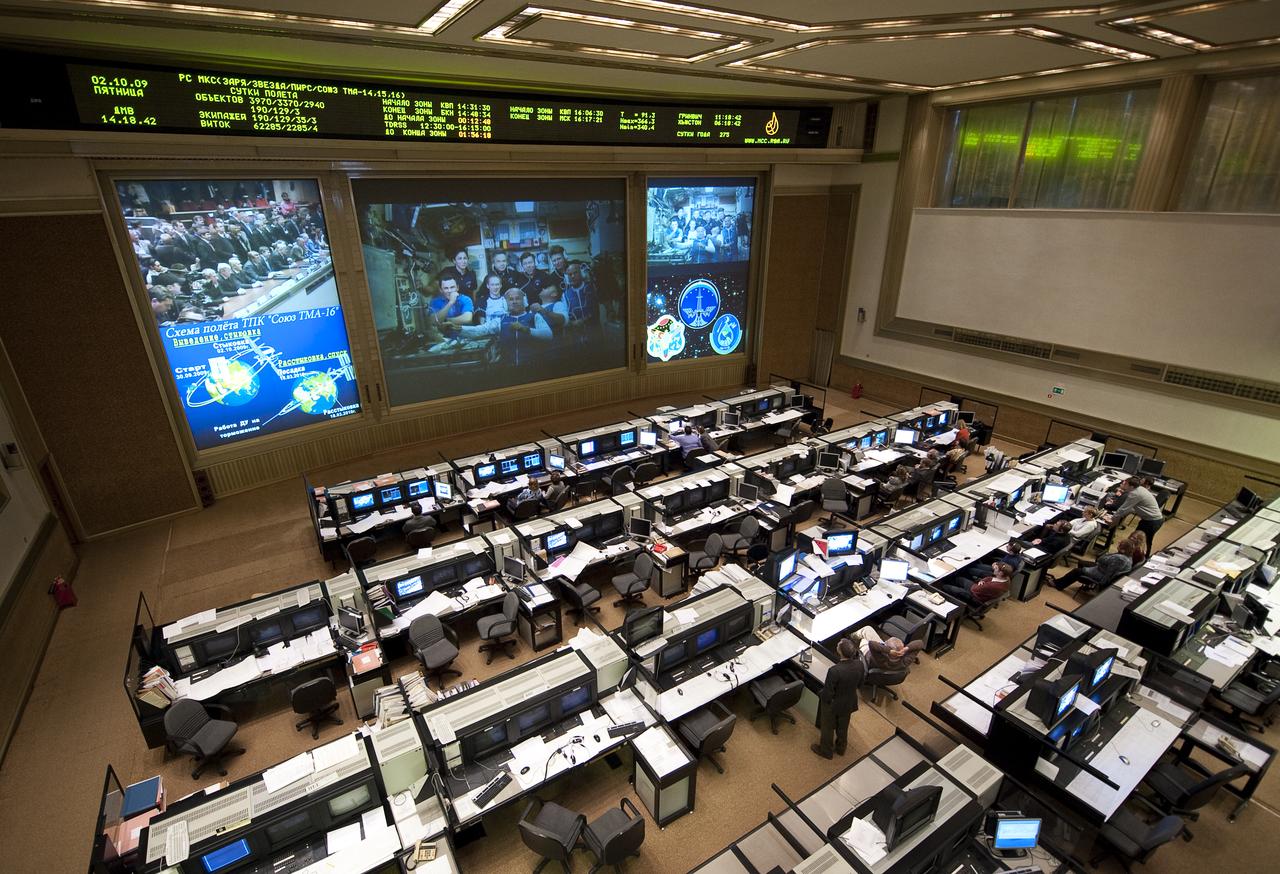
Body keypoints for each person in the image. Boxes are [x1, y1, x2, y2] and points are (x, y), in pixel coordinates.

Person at [813, 637, 865, 759]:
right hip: (849, 701)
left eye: (838, 645)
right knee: (843, 726)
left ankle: (826, 751)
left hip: (833, 704)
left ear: (840, 652)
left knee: (827, 728)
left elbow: (828, 693)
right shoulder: (860, 664)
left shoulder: (834, 671)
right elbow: (860, 684)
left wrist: (820, 694)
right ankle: (841, 748)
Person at [1051, 539, 1135, 592]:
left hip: (1101, 574)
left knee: (1077, 571)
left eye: (1120, 545)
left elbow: (1109, 573)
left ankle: (1058, 584)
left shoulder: (1119, 559)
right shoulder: (1128, 556)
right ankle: (1086, 583)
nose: (1118, 545)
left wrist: (1100, 585)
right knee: (1082, 563)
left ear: (1124, 549)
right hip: (1102, 568)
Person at [1108, 476, 1163, 551]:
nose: (1124, 485)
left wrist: (1111, 520)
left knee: (1138, 540)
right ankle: (1130, 553)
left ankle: (1131, 554)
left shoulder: (1134, 494)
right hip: (1151, 519)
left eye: (1126, 484)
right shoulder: (1139, 489)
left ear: (1131, 486)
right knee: (1137, 540)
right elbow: (1130, 509)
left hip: (1152, 521)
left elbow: (1123, 509)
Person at [941, 561, 1012, 605]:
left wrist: (981, 583)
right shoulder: (1006, 578)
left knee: (946, 586)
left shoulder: (992, 586)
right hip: (981, 590)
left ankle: (944, 587)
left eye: (996, 569)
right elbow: (990, 578)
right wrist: (982, 581)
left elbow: (974, 589)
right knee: (960, 579)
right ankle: (951, 582)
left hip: (975, 596)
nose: (994, 569)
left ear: (1000, 573)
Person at [855, 627, 923, 672]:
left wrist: (889, 651)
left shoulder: (881, 658)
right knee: (867, 629)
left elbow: (871, 644)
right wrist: (906, 649)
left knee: (864, 639)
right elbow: (920, 643)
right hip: (886, 660)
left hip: (867, 657)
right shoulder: (905, 661)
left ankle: (851, 637)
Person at [959, 542, 1024, 583]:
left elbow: (1003, 572)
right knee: (975, 565)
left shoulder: (1012, 562)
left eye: (1007, 547)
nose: (1006, 547)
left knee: (970, 569)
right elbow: (1003, 564)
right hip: (997, 568)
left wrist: (995, 565)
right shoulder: (1016, 555)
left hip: (994, 574)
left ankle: (963, 579)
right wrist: (997, 563)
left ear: (1011, 552)